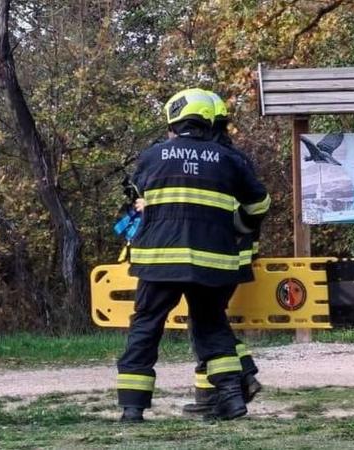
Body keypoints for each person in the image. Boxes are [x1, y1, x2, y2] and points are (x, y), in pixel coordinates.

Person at [116, 88, 270, 422]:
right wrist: (239, 226)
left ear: (175, 120)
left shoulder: (152, 155)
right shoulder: (228, 159)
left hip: (159, 260)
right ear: (210, 120)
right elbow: (260, 204)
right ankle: (231, 398)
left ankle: (132, 408)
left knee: (146, 327)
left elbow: (138, 197)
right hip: (212, 260)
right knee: (211, 325)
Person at [182, 91, 268, 415]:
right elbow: (254, 207)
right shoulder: (236, 159)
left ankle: (239, 379)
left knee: (207, 324)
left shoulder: (210, 161)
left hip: (216, 253)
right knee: (210, 320)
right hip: (238, 254)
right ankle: (217, 393)